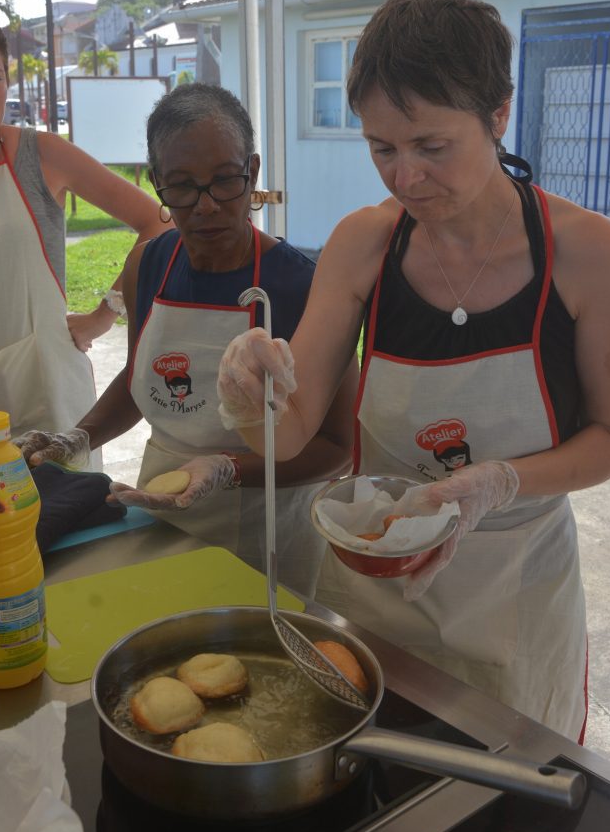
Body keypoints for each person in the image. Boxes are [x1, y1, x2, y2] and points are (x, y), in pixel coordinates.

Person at [216, 0, 610, 740]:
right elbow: (291, 432)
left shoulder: (588, 252)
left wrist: (497, 483)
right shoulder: (363, 245)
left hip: (514, 592)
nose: (405, 179)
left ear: (498, 115)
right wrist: (253, 393)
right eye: (381, 149)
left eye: (432, 147)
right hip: (374, 591)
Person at [18, 82, 357, 594]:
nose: (205, 206)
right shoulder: (148, 264)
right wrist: (78, 437)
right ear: (156, 181)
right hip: (160, 517)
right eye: (181, 186)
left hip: (266, 531)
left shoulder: (300, 287)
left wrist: (227, 469)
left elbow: (340, 446)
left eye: (225, 181)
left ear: (254, 173)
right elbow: (140, 378)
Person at [0, 3, 167, 477]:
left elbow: (158, 224)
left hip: (46, 387)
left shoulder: (42, 155)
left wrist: (105, 314)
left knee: (61, 529)